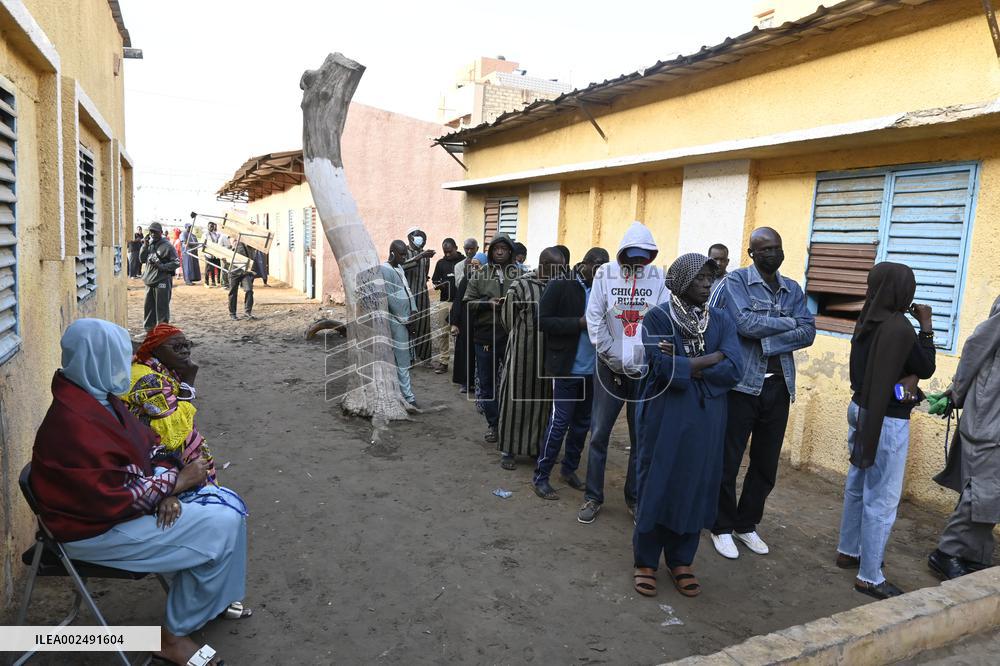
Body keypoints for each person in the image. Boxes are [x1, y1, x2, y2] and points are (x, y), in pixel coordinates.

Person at [31, 319, 247, 666]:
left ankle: (210, 602)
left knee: (226, 507)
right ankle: (172, 637)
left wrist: (166, 488)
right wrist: (175, 483)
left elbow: (153, 446)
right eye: (119, 357)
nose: (127, 363)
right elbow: (111, 496)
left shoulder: (99, 399)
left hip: (123, 512)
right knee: (222, 524)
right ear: (96, 360)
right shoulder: (73, 423)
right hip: (93, 531)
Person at [632, 254, 742, 598]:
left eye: (711, 278)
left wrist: (689, 364)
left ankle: (681, 559)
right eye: (700, 279)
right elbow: (662, 367)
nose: (708, 285)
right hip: (667, 411)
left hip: (708, 414)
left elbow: (735, 367)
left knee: (697, 483)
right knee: (659, 480)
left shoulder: (722, 319)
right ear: (681, 282)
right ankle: (646, 561)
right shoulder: (657, 317)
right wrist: (712, 358)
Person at [710, 227, 816, 559]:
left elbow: (809, 331)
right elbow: (743, 324)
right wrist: (787, 322)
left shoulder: (792, 288)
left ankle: (746, 524)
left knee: (766, 463)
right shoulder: (736, 282)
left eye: (777, 247)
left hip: (779, 385)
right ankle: (721, 526)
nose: (773, 253)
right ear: (753, 252)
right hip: (742, 385)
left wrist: (769, 335)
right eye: (766, 248)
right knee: (728, 460)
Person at [835, 262, 935, 599]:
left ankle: (849, 551)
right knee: (882, 497)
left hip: (860, 408)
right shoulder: (901, 328)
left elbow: (894, 367)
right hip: (885, 418)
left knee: (858, 484)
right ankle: (870, 576)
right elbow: (926, 366)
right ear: (901, 291)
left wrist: (905, 377)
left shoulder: (867, 319)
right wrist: (927, 326)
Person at [577, 221, 668, 524]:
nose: (638, 261)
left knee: (640, 439)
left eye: (644, 256)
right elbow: (595, 320)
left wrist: (645, 358)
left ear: (652, 256)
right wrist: (613, 356)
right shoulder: (605, 275)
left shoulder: (659, 278)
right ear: (621, 254)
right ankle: (592, 496)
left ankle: (635, 498)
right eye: (632, 255)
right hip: (608, 369)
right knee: (599, 434)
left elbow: (662, 322)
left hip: (643, 372)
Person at [929, 296, 1000, 579]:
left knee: (992, 494)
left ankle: (973, 556)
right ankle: (946, 553)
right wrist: (956, 393)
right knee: (982, 491)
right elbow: (975, 348)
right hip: (990, 417)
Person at [533, 247, 609, 499]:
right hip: (566, 367)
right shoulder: (561, 284)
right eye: (597, 266)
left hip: (593, 370)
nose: (600, 272)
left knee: (582, 425)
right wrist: (578, 324)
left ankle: (569, 469)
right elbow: (542, 321)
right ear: (584, 263)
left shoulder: (605, 288)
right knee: (559, 423)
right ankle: (541, 476)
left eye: (604, 268)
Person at [496, 248, 563, 469]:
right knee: (514, 401)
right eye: (557, 267)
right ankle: (509, 449)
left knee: (541, 404)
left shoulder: (559, 286)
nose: (560, 271)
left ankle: (535, 448)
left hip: (547, 356)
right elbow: (507, 320)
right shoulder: (521, 285)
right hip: (521, 354)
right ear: (544, 263)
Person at [123, 324, 216, 479]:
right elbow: (173, 433)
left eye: (187, 345)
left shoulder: (160, 369)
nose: (185, 351)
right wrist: (188, 380)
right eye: (176, 347)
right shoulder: (148, 379)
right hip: (159, 463)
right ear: (154, 349)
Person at [464, 234, 521, 443]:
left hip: (512, 336)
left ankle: (511, 425)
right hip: (485, 336)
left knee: (512, 382)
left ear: (510, 252)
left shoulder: (520, 274)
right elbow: (467, 302)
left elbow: (529, 300)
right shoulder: (480, 275)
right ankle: (494, 424)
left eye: (503, 248)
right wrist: (487, 303)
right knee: (488, 384)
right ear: (490, 252)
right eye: (495, 248)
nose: (499, 252)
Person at [380, 240, 418, 406]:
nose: (404, 257)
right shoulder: (385, 269)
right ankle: (408, 397)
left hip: (407, 318)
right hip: (396, 321)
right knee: (401, 359)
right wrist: (405, 319)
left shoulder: (399, 267)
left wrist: (414, 310)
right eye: (402, 254)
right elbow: (390, 298)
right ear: (392, 253)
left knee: (405, 358)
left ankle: (403, 394)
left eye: (405, 254)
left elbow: (407, 290)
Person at [451, 252, 486, 395]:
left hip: (482, 322)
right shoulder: (467, 279)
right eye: (472, 266)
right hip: (466, 321)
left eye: (478, 266)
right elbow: (458, 302)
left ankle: (479, 383)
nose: (474, 269)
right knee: (466, 351)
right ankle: (466, 382)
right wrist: (454, 323)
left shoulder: (489, 280)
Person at [401, 227, 436, 365]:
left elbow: (426, 274)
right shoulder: (405, 252)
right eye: (420, 237)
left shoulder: (424, 255)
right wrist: (420, 257)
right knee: (409, 326)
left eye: (424, 238)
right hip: (408, 295)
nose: (423, 241)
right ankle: (408, 358)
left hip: (422, 295)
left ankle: (425, 358)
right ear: (410, 238)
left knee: (424, 326)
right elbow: (402, 267)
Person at [140, 222, 181, 332]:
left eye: (155, 232)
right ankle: (149, 332)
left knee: (162, 309)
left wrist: (162, 266)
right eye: (151, 231)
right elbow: (141, 259)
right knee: (149, 308)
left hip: (161, 282)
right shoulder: (149, 244)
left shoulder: (168, 246)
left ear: (161, 232)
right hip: (149, 282)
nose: (153, 234)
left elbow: (176, 263)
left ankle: (162, 333)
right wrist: (145, 245)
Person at [430, 238, 463, 375]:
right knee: (443, 333)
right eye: (445, 252)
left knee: (460, 334)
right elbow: (435, 281)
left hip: (460, 303)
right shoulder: (441, 263)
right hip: (445, 302)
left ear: (456, 247)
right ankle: (443, 362)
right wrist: (439, 285)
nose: (447, 254)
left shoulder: (464, 262)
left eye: (450, 251)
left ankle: (460, 363)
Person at [228, 240, 257, 321]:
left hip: (245, 273)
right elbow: (238, 259)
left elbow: (251, 262)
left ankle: (247, 312)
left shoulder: (252, 248)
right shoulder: (239, 244)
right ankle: (232, 313)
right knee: (233, 293)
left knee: (249, 290)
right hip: (234, 271)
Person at [204, 222, 222, 288]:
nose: (212, 227)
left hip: (214, 254)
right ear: (208, 226)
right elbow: (203, 244)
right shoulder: (205, 234)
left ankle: (213, 282)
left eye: (213, 226)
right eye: (210, 226)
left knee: (214, 268)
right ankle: (206, 282)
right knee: (208, 268)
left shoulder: (215, 234)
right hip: (208, 254)